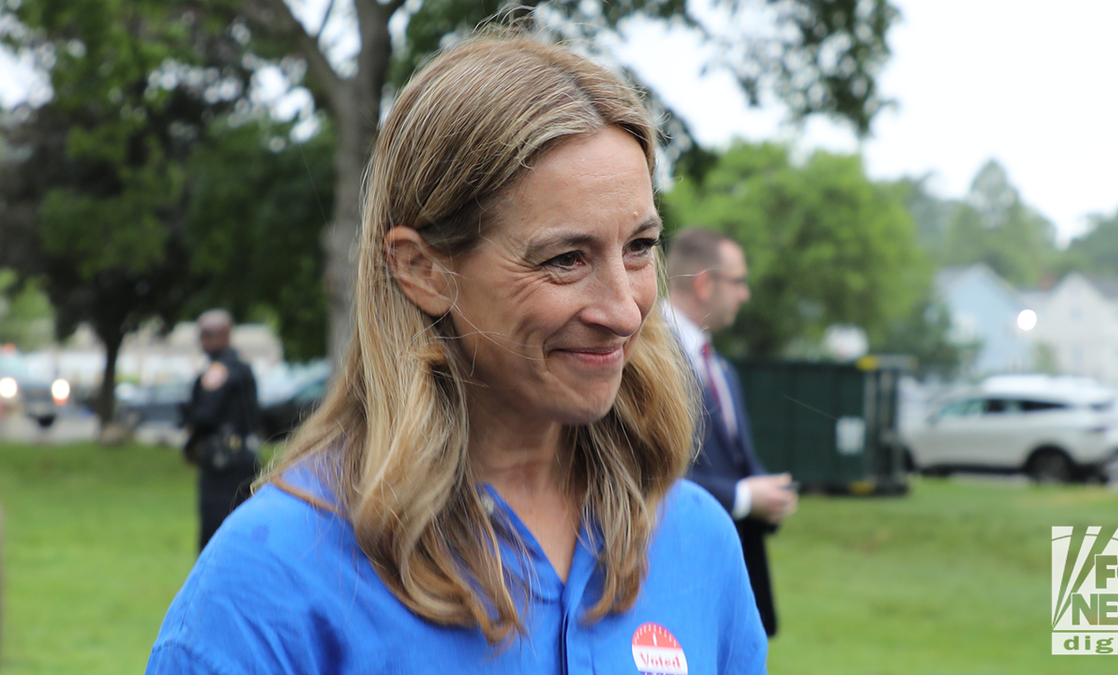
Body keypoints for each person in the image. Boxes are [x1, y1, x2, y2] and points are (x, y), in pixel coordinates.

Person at [146, 33, 767, 673]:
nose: (624, 310)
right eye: (565, 259)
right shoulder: (274, 579)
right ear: (422, 269)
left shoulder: (694, 541)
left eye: (639, 247)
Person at [664, 228, 798, 638]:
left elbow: (736, 459)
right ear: (705, 284)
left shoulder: (721, 368)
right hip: (675, 581)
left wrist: (767, 497)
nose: (745, 294)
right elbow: (643, 471)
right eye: (738, 281)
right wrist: (742, 497)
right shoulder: (644, 358)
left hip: (730, 586)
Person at [181, 309, 260, 552]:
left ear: (224, 335)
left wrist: (190, 436)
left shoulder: (219, 371)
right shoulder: (242, 368)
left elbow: (205, 416)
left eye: (208, 335)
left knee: (215, 533)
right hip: (244, 458)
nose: (203, 341)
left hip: (222, 464)